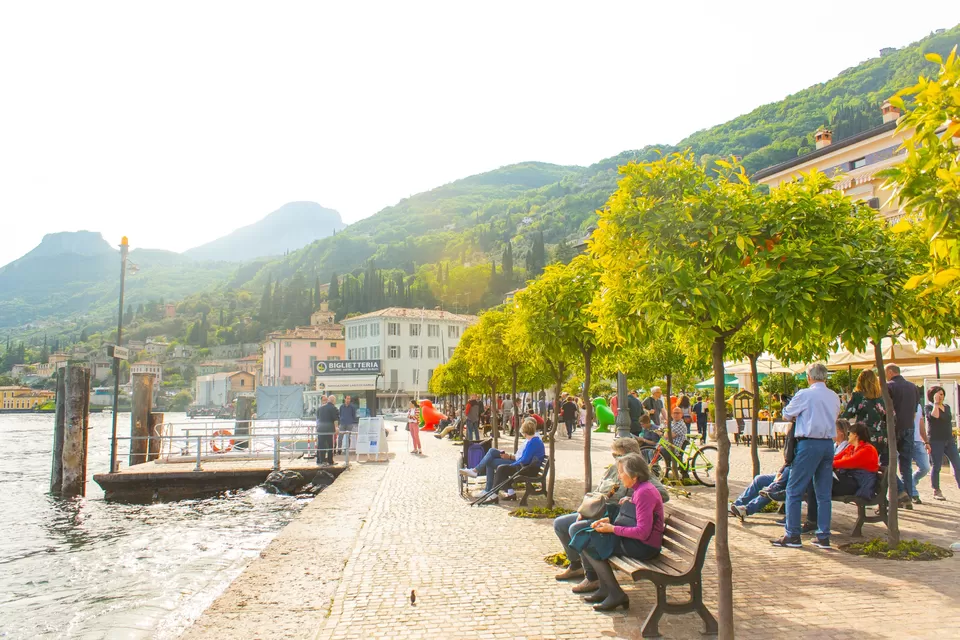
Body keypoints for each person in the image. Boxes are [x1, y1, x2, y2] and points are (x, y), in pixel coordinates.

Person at [554, 439, 669, 590]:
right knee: (560, 524)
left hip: (618, 520)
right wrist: (584, 510)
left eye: (617, 455)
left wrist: (634, 497)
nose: (615, 459)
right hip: (597, 512)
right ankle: (576, 566)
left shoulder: (640, 478)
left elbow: (660, 495)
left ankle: (595, 578)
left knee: (581, 532)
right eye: (614, 455)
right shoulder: (613, 470)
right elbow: (597, 492)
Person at [577, 453, 663, 611]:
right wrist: (608, 522)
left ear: (634, 475)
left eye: (622, 472)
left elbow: (642, 532)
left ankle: (615, 593)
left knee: (586, 539)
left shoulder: (644, 493)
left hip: (644, 546)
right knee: (589, 535)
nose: (619, 476)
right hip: (638, 541)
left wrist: (612, 529)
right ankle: (605, 589)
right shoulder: (639, 490)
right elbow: (632, 519)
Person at [771, 363, 839, 550]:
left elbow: (786, 414)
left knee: (794, 489)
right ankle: (823, 535)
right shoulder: (833, 396)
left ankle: (792, 534)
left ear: (809, 377)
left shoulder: (805, 394)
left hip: (808, 443)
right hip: (827, 443)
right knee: (823, 493)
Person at [459, 418, 544, 500]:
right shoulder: (532, 441)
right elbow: (524, 457)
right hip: (523, 465)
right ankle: (491, 490)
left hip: (525, 467)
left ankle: (491, 492)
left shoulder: (533, 442)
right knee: (493, 454)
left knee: (497, 465)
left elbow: (524, 459)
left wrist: (511, 463)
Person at [885, 363, 919, 502]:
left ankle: (899, 493)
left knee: (888, 462)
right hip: (909, 427)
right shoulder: (913, 387)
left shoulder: (889, 386)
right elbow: (915, 411)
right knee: (906, 464)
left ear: (891, 372)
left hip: (894, 428)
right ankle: (908, 497)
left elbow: (886, 409)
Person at [925, 385, 960, 500]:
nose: (941, 396)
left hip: (949, 440)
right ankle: (936, 489)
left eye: (942, 394)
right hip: (936, 441)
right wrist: (935, 403)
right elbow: (935, 416)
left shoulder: (947, 407)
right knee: (937, 466)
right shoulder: (929, 407)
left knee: (957, 464)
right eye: (938, 394)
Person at [831, 421, 880, 498]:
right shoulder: (851, 447)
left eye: (849, 433)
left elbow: (849, 462)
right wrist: (825, 461)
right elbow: (837, 457)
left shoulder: (867, 449)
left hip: (860, 483)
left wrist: (829, 463)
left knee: (825, 481)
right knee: (823, 480)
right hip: (851, 479)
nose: (848, 436)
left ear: (855, 435)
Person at [911, 392, 931, 504]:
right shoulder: (901, 403)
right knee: (906, 469)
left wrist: (926, 441)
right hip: (905, 440)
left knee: (925, 467)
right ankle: (913, 493)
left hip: (918, 441)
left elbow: (921, 423)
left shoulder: (918, 406)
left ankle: (912, 482)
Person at [315, 394, 339, 465]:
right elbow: (335, 420)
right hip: (329, 429)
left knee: (321, 445)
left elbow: (318, 419)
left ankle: (321, 461)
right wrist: (336, 428)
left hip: (320, 429)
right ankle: (330, 461)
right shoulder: (333, 408)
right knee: (330, 446)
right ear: (333, 401)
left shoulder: (320, 408)